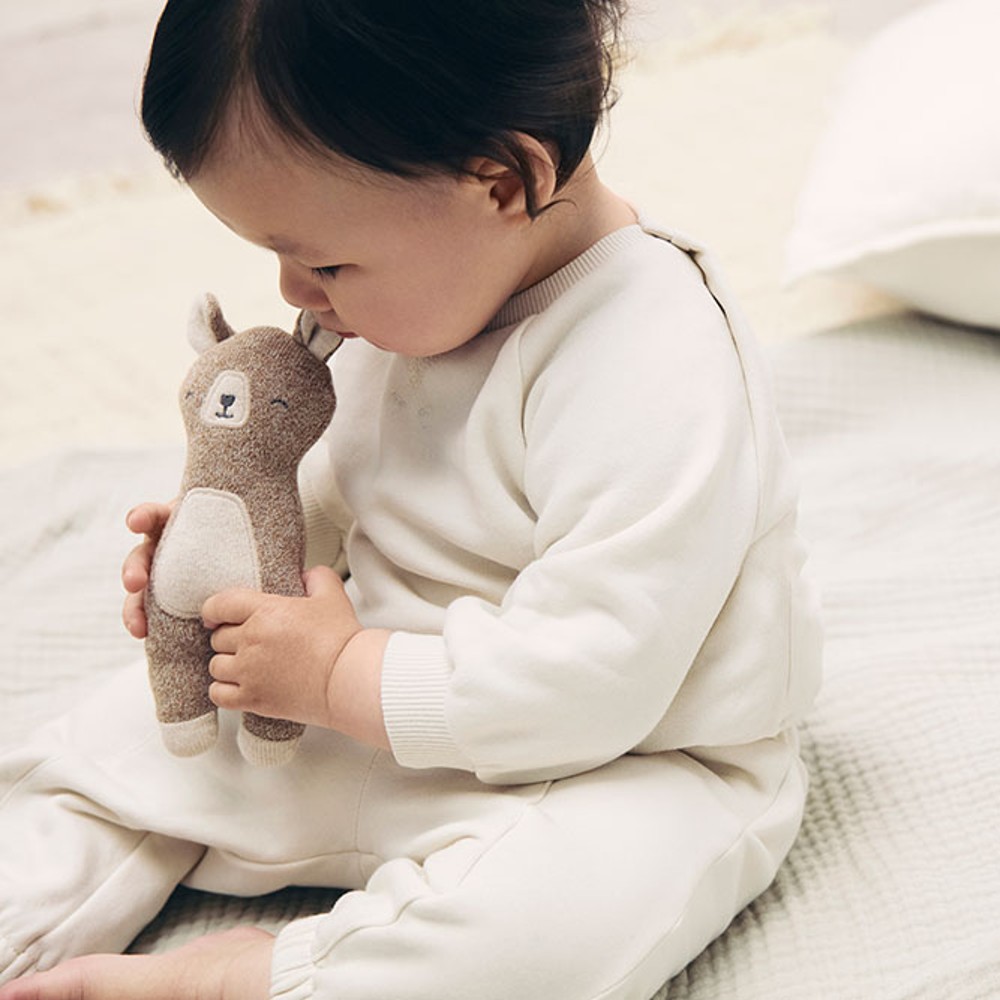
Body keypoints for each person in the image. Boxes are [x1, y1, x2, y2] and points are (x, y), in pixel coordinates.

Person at [0, 1, 823, 998]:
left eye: (326, 261)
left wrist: (345, 668)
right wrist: (233, 562)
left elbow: (597, 671)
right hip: (371, 708)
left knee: (562, 917)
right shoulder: (408, 307)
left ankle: (254, 978)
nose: (296, 294)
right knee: (103, 753)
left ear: (501, 182)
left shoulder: (656, 358)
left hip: (626, 757)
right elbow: (338, 489)